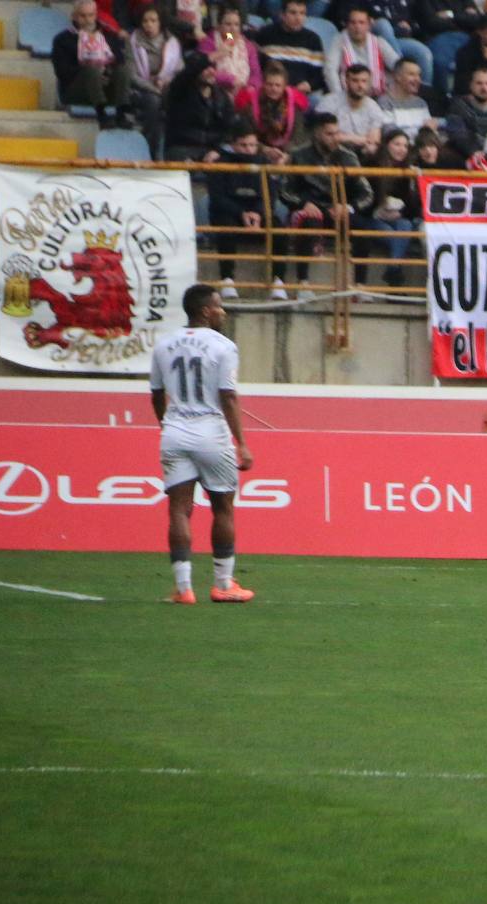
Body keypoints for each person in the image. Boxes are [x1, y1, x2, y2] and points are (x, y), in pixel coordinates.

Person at [149, 283, 255, 604]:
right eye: (219, 306)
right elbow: (228, 396)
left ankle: (184, 589)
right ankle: (223, 584)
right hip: (211, 431)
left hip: (175, 430)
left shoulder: (163, 344)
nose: (222, 311)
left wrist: (167, 424)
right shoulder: (223, 346)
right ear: (206, 311)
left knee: (179, 510)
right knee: (222, 507)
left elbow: (156, 394)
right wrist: (242, 443)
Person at [279, 112, 374, 291]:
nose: (335, 138)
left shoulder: (349, 157)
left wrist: (348, 207)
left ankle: (360, 285)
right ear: (317, 133)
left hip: (339, 210)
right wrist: (303, 203)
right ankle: (303, 283)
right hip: (310, 209)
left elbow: (366, 193)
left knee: (364, 228)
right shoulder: (299, 155)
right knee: (308, 222)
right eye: (329, 134)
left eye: (337, 133)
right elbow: (285, 190)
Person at [208, 125, 289, 301]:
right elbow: (217, 197)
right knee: (226, 227)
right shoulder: (221, 164)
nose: (248, 149)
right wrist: (241, 213)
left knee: (280, 230)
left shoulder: (263, 163)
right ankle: (227, 279)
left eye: (252, 145)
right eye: (243, 145)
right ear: (234, 145)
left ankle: (279, 282)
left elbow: (271, 194)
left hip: (258, 213)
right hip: (229, 212)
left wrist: (259, 213)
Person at [52, 0, 132, 128]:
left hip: (105, 88)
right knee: (91, 69)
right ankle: (101, 115)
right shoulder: (63, 40)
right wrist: (90, 69)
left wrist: (106, 72)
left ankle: (121, 113)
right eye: (82, 16)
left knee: (123, 69)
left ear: (96, 15)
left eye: (91, 15)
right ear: (74, 16)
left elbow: (120, 61)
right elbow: (62, 72)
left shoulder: (108, 36)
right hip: (77, 91)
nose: (88, 20)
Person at [355, 127, 419, 287]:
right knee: (395, 235)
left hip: (396, 217)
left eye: (405, 146)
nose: (402, 149)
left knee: (406, 225)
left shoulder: (408, 170)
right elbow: (363, 199)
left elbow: (412, 208)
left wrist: (401, 211)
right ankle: (395, 273)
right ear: (387, 145)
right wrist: (379, 209)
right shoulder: (371, 165)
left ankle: (393, 267)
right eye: (397, 144)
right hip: (371, 217)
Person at [128, 6, 183, 158]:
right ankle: (151, 151)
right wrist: (153, 88)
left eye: (153, 21)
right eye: (145, 21)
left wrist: (166, 80)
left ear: (160, 23)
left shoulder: (172, 42)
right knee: (154, 102)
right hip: (141, 89)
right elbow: (132, 76)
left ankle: (173, 151)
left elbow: (179, 70)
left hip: (165, 87)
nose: (149, 24)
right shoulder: (133, 41)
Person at [164, 53, 240, 161]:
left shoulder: (222, 97)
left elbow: (228, 129)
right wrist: (216, 53)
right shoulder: (180, 91)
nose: (212, 72)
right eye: (206, 68)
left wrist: (217, 150)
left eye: (213, 68)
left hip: (211, 150)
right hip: (182, 149)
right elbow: (186, 74)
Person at [235, 61, 309, 162]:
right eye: (269, 84)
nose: (273, 89)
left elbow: (298, 136)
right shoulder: (250, 104)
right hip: (258, 151)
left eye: (277, 85)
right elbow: (247, 135)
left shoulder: (295, 105)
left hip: (288, 152)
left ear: (284, 87)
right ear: (263, 84)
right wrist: (266, 150)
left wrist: (285, 155)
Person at [325, 6, 400, 102]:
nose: (357, 27)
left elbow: (398, 66)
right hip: (348, 96)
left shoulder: (379, 42)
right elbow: (330, 70)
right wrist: (339, 97)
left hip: (378, 95)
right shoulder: (339, 41)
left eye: (361, 23)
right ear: (347, 25)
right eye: (353, 23)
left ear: (369, 25)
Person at [256, 0, 326, 94]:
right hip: (271, 90)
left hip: (300, 93)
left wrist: (309, 85)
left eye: (302, 13)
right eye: (293, 13)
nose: (298, 18)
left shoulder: (313, 40)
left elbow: (319, 74)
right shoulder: (265, 34)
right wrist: (228, 36)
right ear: (282, 15)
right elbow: (232, 34)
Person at [318, 63, 386, 157]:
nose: (360, 85)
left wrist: (346, 137)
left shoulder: (374, 108)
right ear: (346, 81)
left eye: (364, 81)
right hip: (333, 150)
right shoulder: (329, 103)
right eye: (355, 81)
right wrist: (359, 139)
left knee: (373, 150)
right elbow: (327, 136)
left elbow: (374, 140)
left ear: (369, 83)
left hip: (363, 153)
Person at [416, 0, 482, 95]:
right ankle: (443, 99)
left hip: (467, 36)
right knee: (441, 63)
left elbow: (477, 20)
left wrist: (452, 15)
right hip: (439, 37)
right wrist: (464, 18)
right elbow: (431, 23)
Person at [198, 6, 261, 97]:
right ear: (219, 25)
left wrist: (252, 86)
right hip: (216, 91)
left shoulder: (248, 46)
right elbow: (204, 71)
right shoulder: (208, 43)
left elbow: (256, 73)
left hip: (243, 92)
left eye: (236, 24)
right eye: (228, 24)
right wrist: (230, 80)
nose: (232, 29)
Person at [447, 66, 487, 144]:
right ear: (471, 85)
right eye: (479, 83)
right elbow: (458, 137)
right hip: (466, 154)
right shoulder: (458, 107)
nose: (484, 88)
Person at [378, 57, 440, 138]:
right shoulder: (385, 102)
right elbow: (391, 134)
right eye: (412, 74)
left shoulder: (421, 103)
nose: (417, 79)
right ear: (397, 77)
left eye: (418, 75)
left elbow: (428, 134)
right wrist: (422, 130)